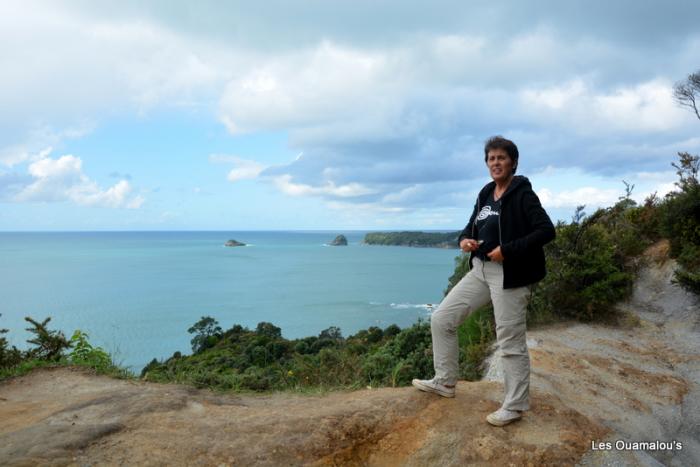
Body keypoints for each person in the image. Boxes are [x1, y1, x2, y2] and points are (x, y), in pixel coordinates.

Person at [412, 136, 555, 426]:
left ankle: (514, 406)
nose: (496, 163)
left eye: (502, 158)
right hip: (480, 269)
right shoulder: (486, 193)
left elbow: (546, 230)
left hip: (510, 274)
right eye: (491, 158)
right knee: (442, 319)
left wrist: (508, 250)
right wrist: (464, 239)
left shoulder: (524, 194)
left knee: (510, 341)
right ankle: (445, 382)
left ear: (513, 162)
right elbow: (471, 225)